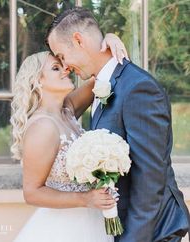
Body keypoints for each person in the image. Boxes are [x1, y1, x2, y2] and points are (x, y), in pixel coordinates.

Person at [46, 7, 190, 242]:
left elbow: (149, 181)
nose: (65, 66)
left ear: (78, 40)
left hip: (153, 231)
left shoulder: (138, 88)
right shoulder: (104, 84)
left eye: (62, 56)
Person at [11, 34, 127, 242]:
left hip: (93, 219)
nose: (66, 70)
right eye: (56, 68)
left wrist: (109, 39)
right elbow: (32, 193)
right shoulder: (42, 127)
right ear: (37, 81)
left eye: (63, 65)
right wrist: (86, 199)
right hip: (64, 228)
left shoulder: (67, 110)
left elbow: (102, 74)